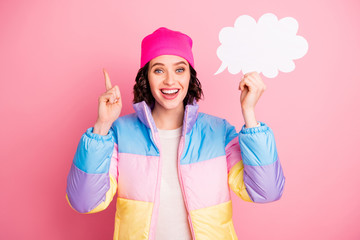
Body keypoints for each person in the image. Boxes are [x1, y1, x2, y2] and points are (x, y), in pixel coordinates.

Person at [66, 27, 285, 240]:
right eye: (159, 70)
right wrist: (102, 126)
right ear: (146, 77)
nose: (170, 81)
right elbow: (85, 202)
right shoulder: (119, 133)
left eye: (180, 69)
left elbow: (266, 192)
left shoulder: (219, 132)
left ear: (190, 76)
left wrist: (249, 113)